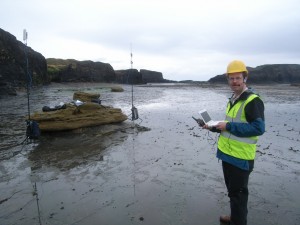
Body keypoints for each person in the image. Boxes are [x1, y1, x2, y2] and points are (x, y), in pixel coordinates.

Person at [202, 60, 265, 225]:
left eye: (238, 78)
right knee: (232, 192)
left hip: (241, 157)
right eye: (231, 78)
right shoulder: (233, 99)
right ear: (228, 80)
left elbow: (258, 128)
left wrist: (228, 125)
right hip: (227, 154)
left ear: (245, 78)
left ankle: (238, 221)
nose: (235, 82)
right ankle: (235, 217)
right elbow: (229, 127)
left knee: (239, 194)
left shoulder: (252, 101)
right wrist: (213, 127)